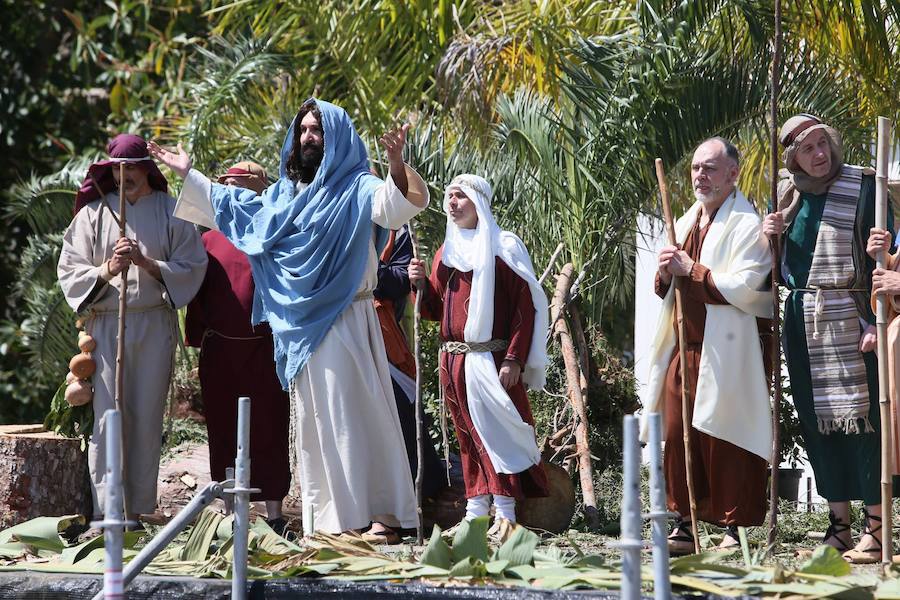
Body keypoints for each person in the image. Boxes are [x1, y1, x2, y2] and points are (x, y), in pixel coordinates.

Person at [149, 98, 428, 543]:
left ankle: (385, 516)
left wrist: (395, 164)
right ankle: (336, 522)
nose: (308, 138)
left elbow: (394, 209)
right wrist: (189, 173)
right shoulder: (286, 194)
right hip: (302, 330)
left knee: (357, 416)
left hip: (346, 319)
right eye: (302, 130)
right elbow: (241, 209)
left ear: (336, 137)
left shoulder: (358, 188)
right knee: (318, 423)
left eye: (317, 130)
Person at [764, 114, 898, 563]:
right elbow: (778, 272)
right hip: (804, 321)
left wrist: (881, 245)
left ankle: (876, 529)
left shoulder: (866, 188)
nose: (820, 154)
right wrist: (771, 242)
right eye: (808, 149)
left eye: (823, 144)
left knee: (864, 424)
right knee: (817, 424)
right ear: (793, 159)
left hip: (853, 317)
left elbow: (889, 262)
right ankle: (838, 527)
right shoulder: (787, 196)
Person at [58, 133, 207, 530]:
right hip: (106, 327)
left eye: (132, 172)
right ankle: (106, 510)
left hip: (153, 322)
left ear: (146, 170)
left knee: (144, 415)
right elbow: (70, 271)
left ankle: (137, 508)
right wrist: (107, 269)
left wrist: (145, 262)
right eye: (117, 173)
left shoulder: (171, 211)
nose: (124, 180)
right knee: (108, 415)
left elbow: (192, 264)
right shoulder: (92, 214)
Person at [643, 137, 773, 554]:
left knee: (726, 436)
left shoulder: (747, 224)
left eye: (710, 168)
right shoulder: (684, 221)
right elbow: (663, 287)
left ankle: (734, 528)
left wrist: (692, 269)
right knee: (680, 434)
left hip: (729, 350)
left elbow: (750, 284)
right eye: (697, 167)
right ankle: (685, 522)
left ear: (733, 174)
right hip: (685, 347)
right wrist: (667, 271)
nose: (700, 175)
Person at [408, 174, 549, 542]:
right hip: (454, 361)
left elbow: (525, 309)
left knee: (498, 434)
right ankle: (475, 511)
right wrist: (419, 284)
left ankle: (505, 512)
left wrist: (514, 359)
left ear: (479, 202)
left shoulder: (503, 247)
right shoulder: (446, 253)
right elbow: (434, 311)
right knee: (467, 436)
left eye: (461, 197)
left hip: (493, 359)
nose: (452, 203)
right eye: (449, 197)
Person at [184, 161, 291, 534]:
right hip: (222, 353)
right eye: (229, 185)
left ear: (262, 188)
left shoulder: (276, 229)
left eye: (244, 184)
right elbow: (197, 295)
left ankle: (274, 514)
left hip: (266, 349)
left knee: (270, 427)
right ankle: (230, 512)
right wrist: (199, 337)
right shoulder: (208, 238)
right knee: (224, 429)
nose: (235, 190)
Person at [373, 225, 446, 501]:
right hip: (338, 333)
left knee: (400, 410)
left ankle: (421, 493)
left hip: (387, 334)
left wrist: (360, 265)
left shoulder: (395, 229)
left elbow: (397, 281)